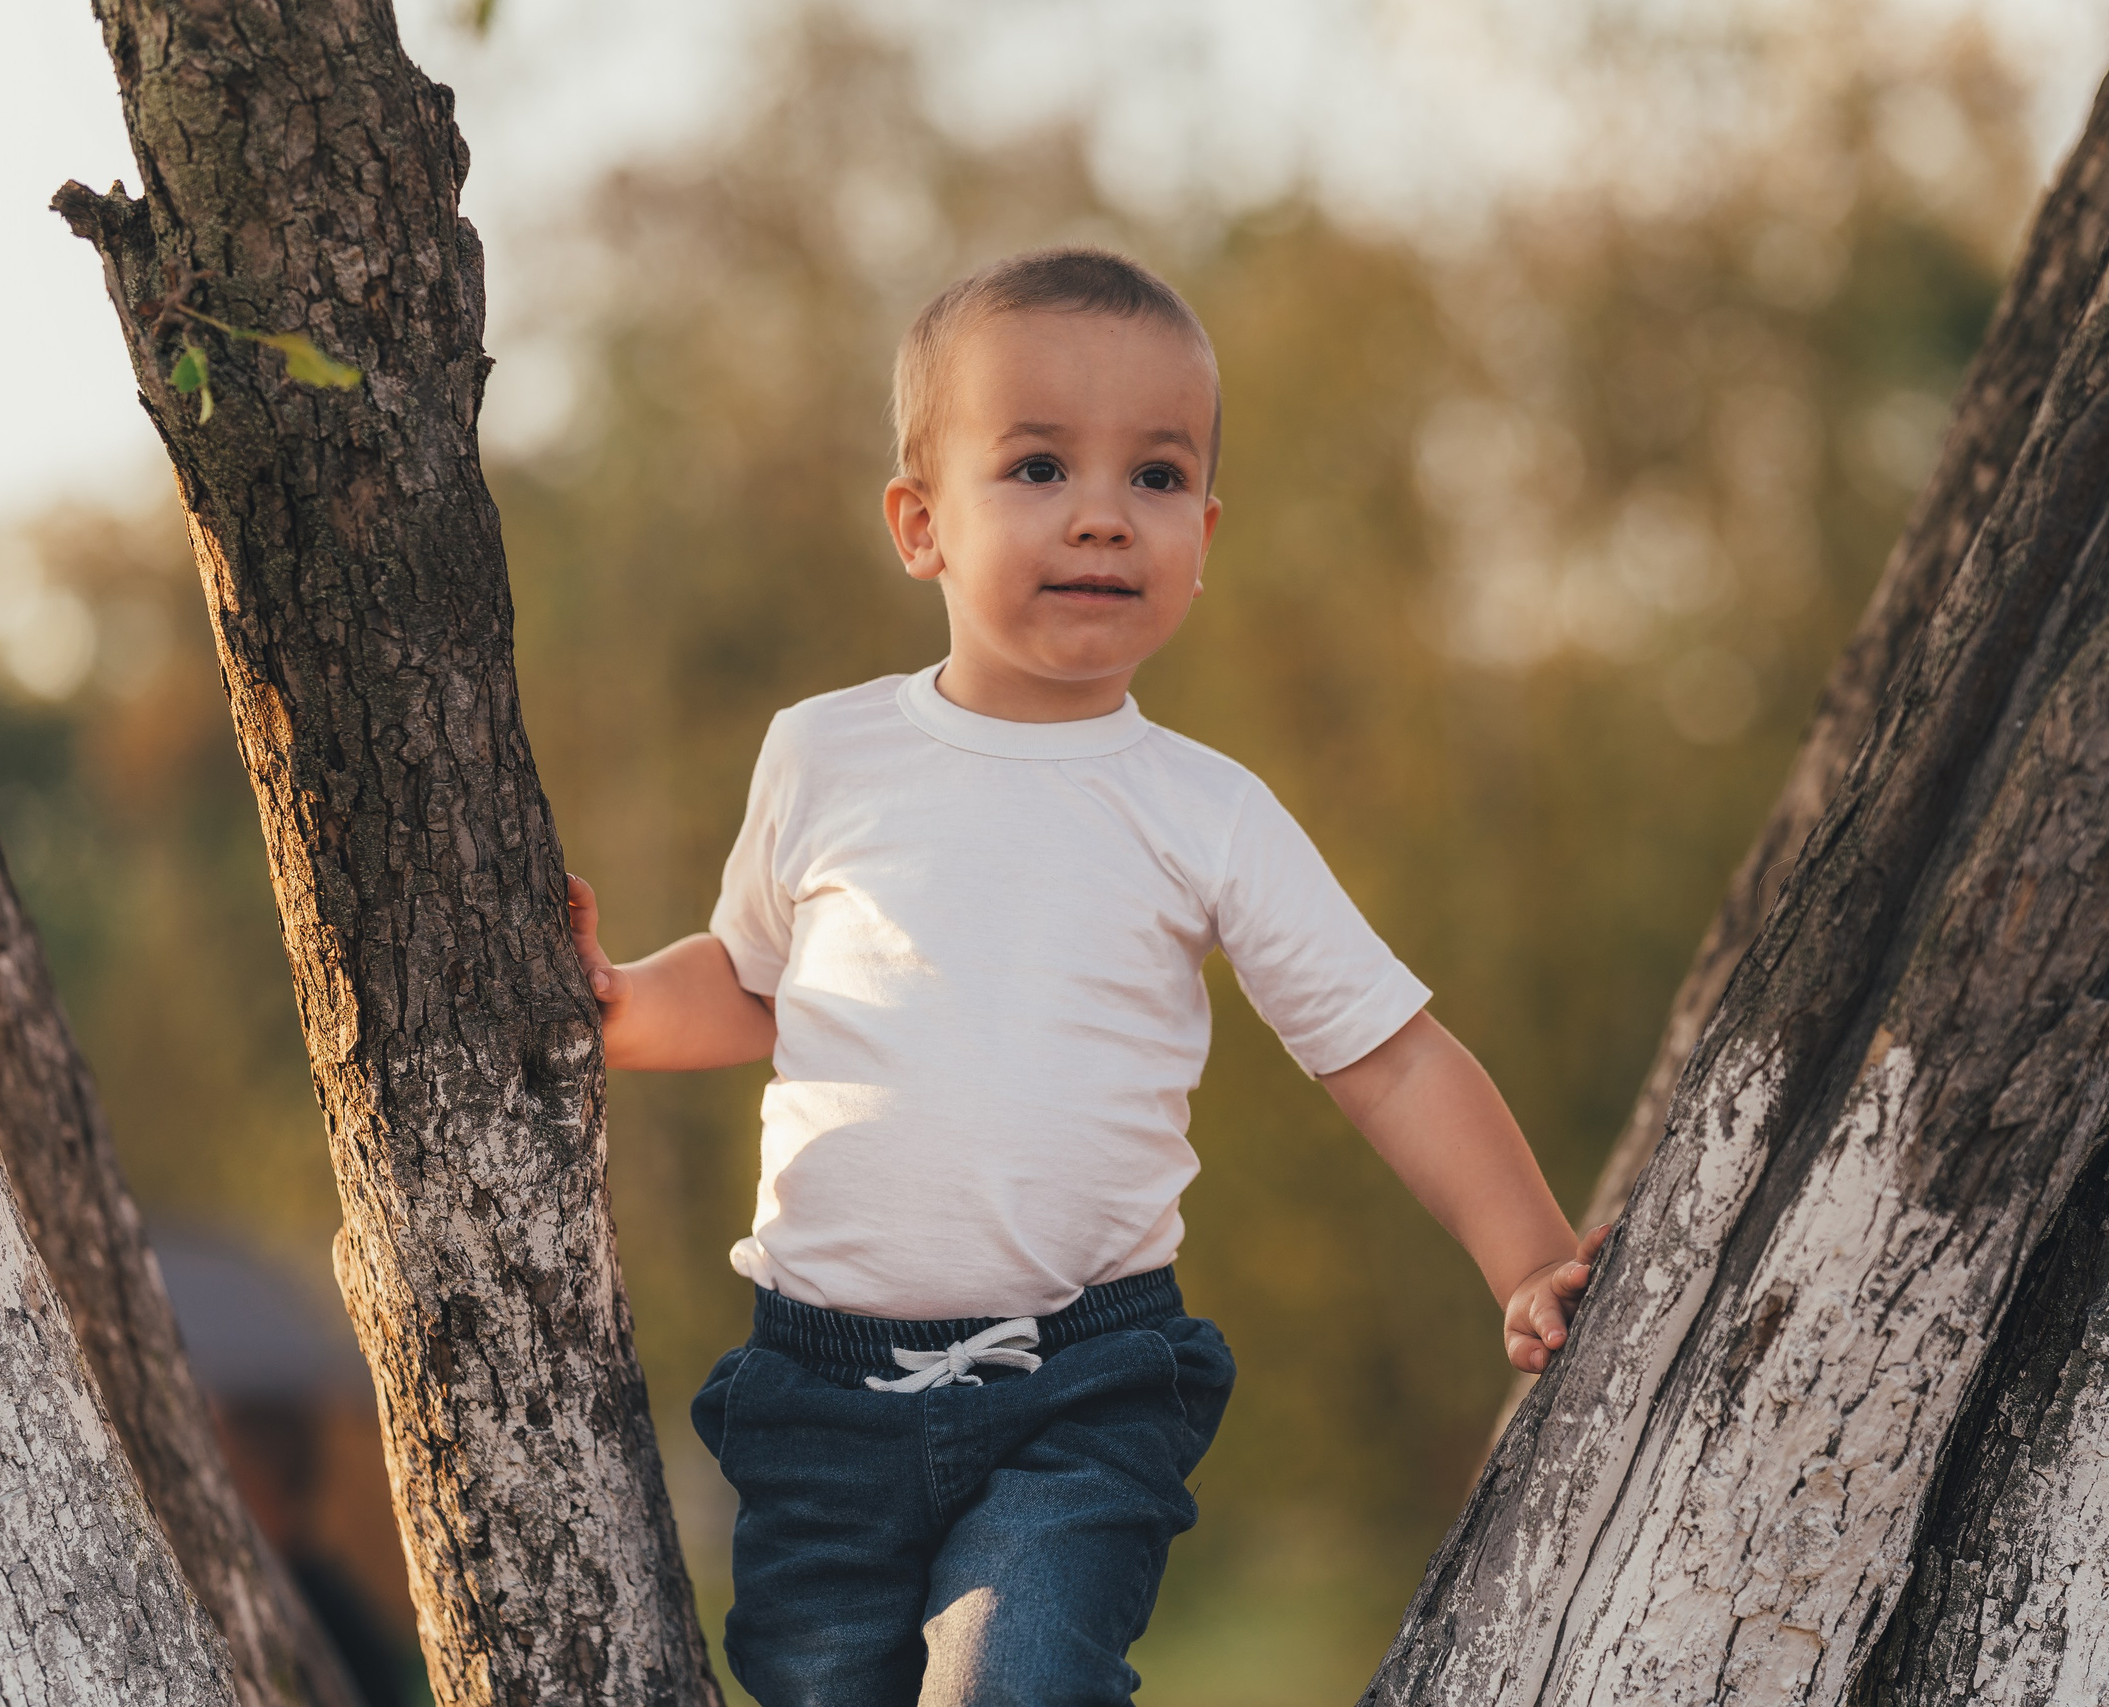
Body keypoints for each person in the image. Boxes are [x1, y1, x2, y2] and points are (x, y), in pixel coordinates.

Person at [564, 246, 1607, 1707]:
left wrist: (1531, 1255)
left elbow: (1390, 1052)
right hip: (822, 1395)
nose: (1107, 517)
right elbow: (750, 982)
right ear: (921, 524)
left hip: (1082, 1384)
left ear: (1206, 532)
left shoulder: (1203, 810)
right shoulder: (825, 751)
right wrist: (611, 1005)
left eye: (1160, 478)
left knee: (1019, 1678)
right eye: (1041, 467)